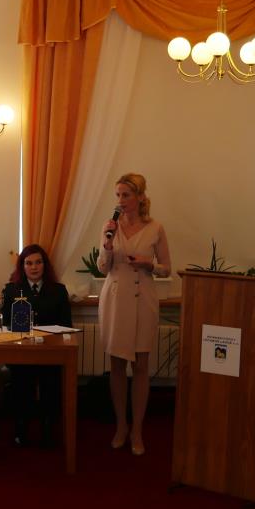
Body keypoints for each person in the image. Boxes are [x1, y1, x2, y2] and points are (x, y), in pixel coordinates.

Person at [98, 172, 171, 456]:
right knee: (117, 364)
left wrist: (148, 264)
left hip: (143, 299)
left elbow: (166, 268)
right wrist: (107, 246)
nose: (121, 200)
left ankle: (137, 430)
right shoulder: (110, 227)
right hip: (116, 299)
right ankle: (120, 425)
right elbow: (102, 268)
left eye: (126, 195)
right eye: (117, 195)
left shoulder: (155, 228)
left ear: (140, 197)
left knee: (140, 365)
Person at [0, 244, 72, 447]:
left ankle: (48, 426)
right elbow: (4, 324)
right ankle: (21, 427)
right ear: (22, 266)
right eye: (29, 263)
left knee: (51, 382)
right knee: (21, 381)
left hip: (51, 352)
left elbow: (67, 325)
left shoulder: (58, 291)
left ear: (45, 265)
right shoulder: (11, 290)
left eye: (38, 262)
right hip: (22, 351)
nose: (34, 267)